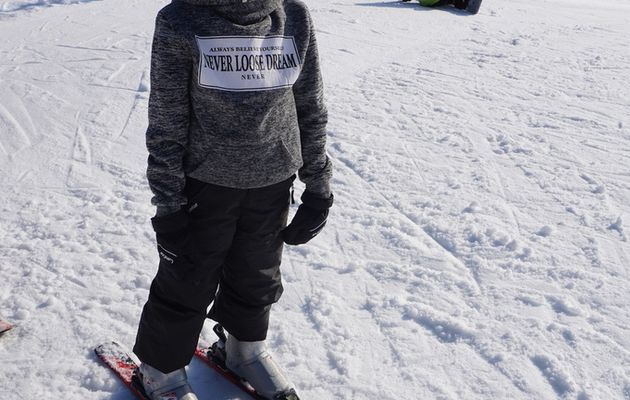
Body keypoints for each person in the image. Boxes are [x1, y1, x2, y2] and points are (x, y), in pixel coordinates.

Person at [132, 0, 333, 399]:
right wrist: (169, 206)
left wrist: (318, 185)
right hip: (204, 185)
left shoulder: (292, 14)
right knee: (187, 281)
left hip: (274, 179)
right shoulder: (180, 19)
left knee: (257, 274)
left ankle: (243, 350)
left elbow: (308, 103)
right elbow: (167, 120)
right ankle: (161, 371)